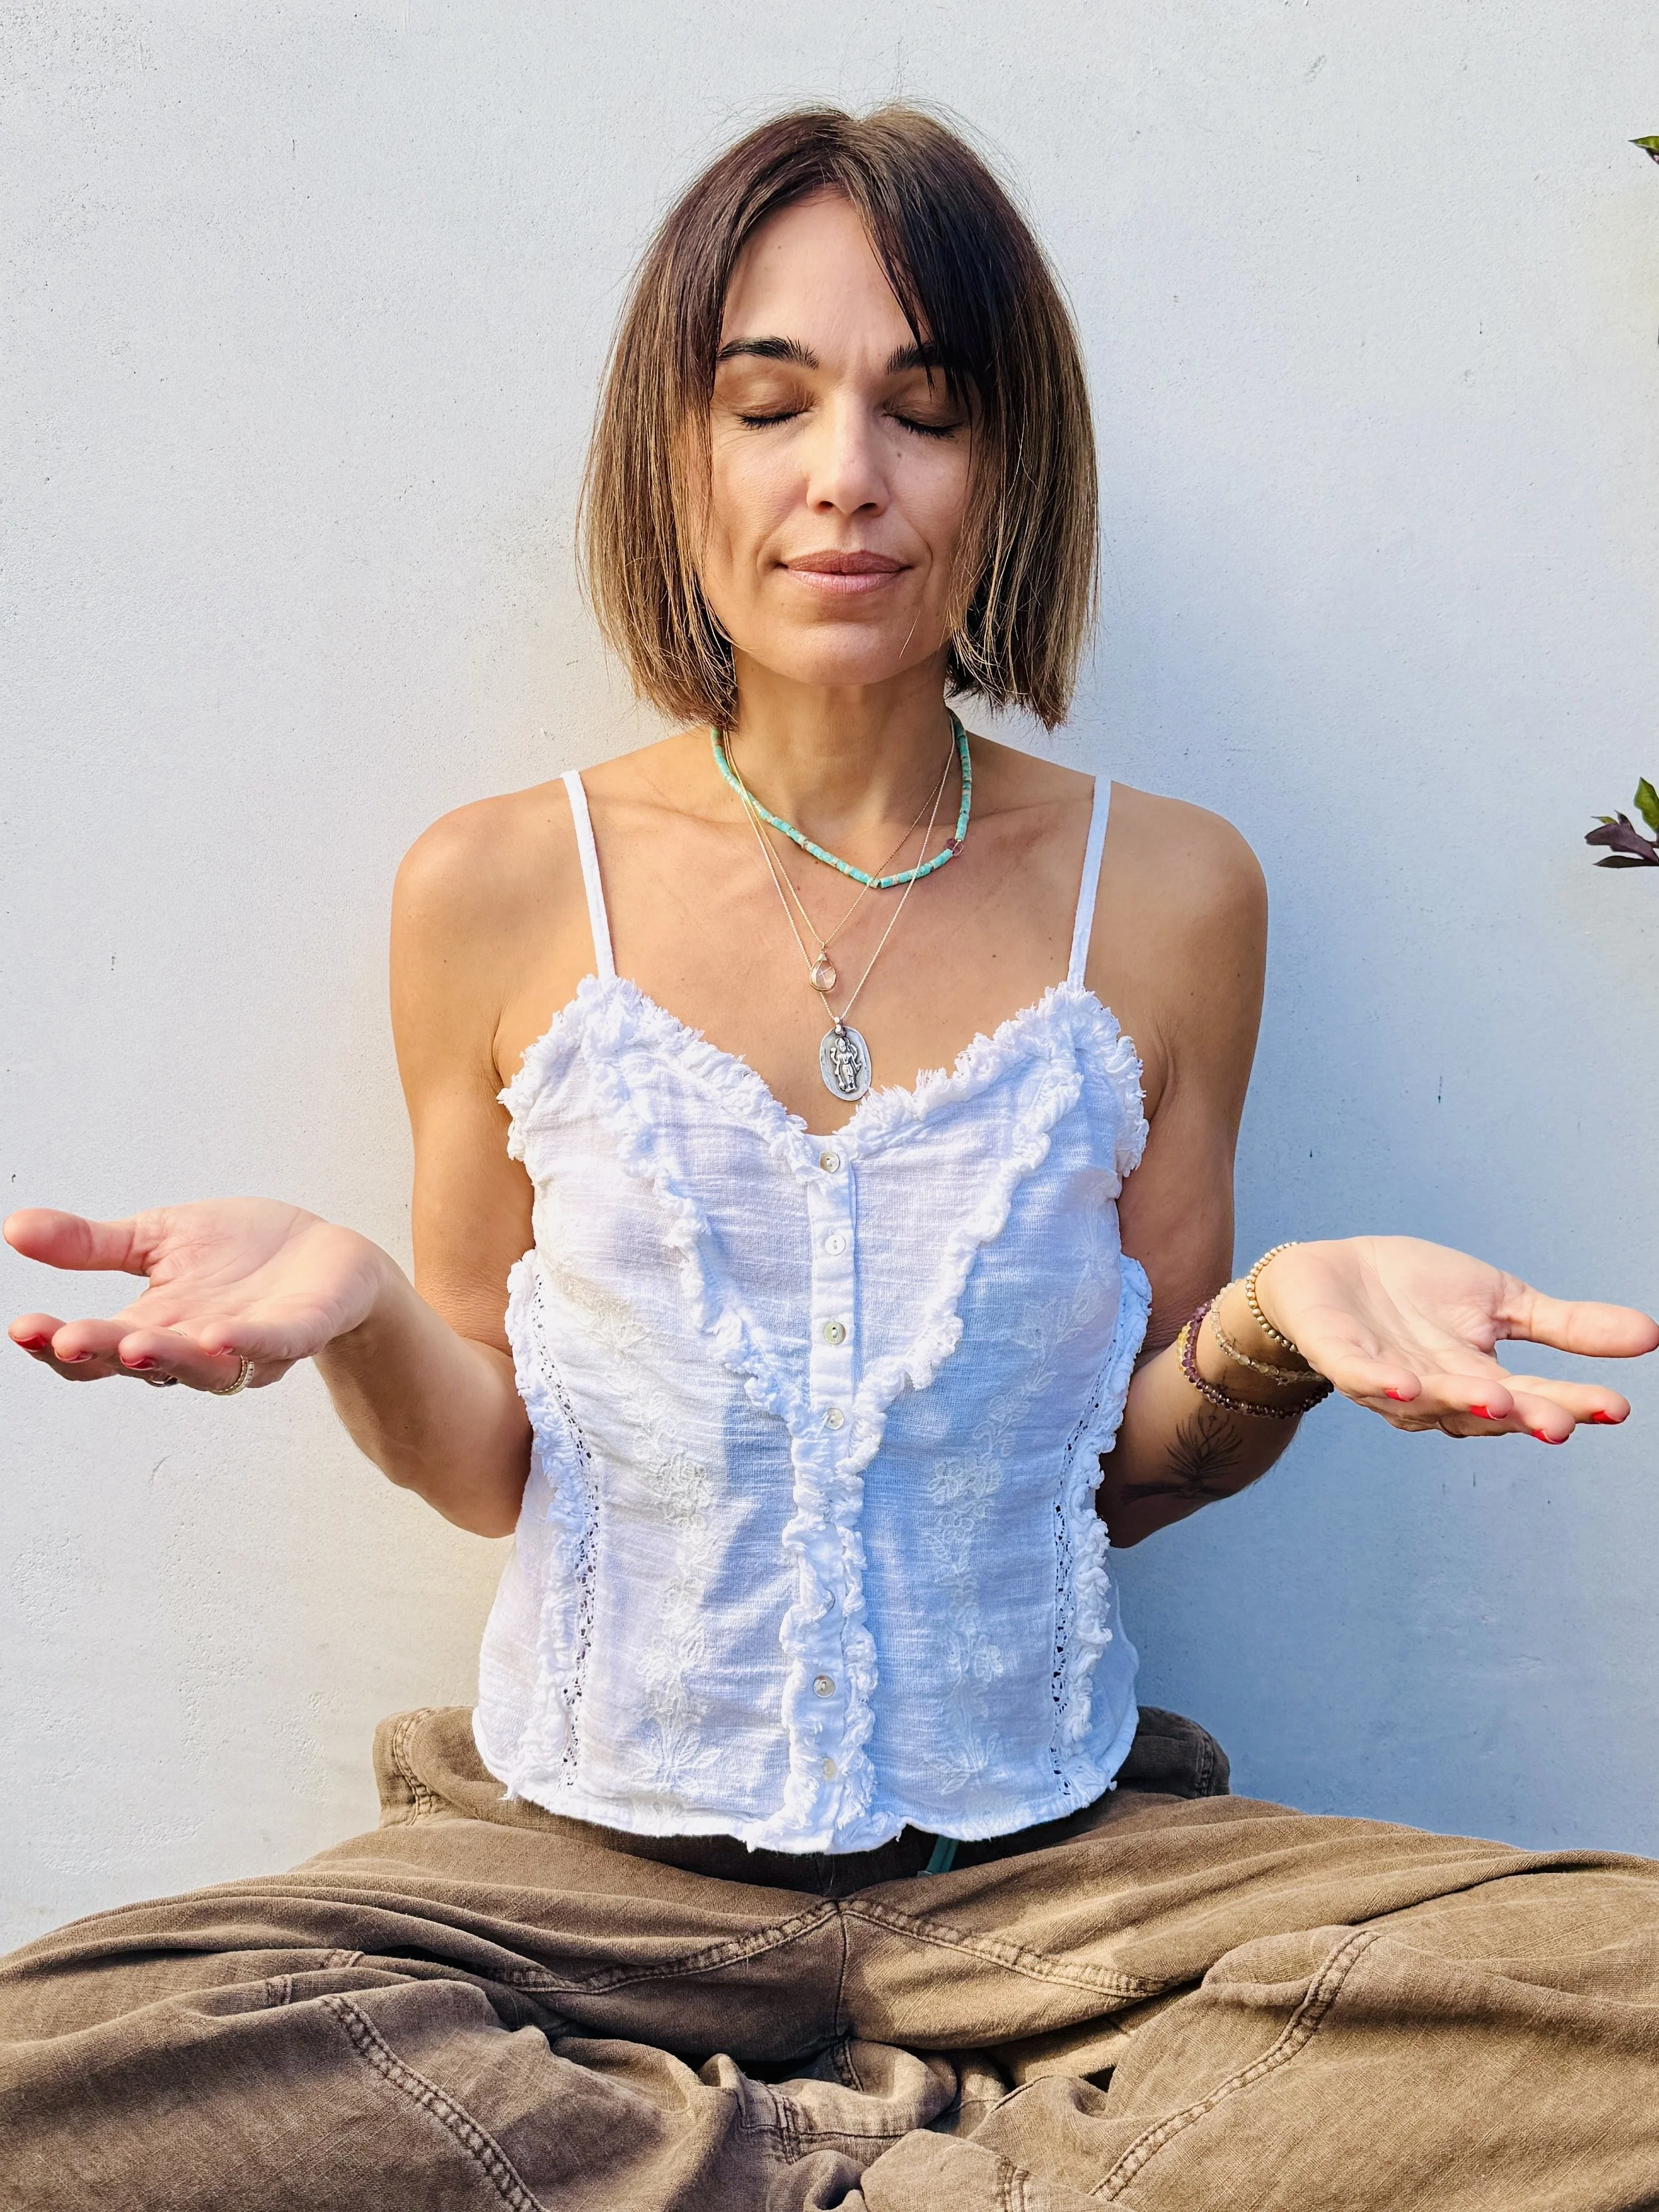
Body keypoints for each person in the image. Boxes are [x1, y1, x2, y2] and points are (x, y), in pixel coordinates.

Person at [3, 104, 1657, 2212]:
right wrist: (347, 1311)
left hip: (1059, 1886)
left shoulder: (1166, 893)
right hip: (572, 1876)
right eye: (766, 403)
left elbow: (1131, 1470)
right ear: (673, 454)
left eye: (921, 409)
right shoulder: (501, 886)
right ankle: (941, 2170)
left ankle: (774, 2162)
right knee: (69, 2067)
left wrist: (1269, 1332)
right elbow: (496, 1458)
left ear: (1004, 466)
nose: (842, 477)